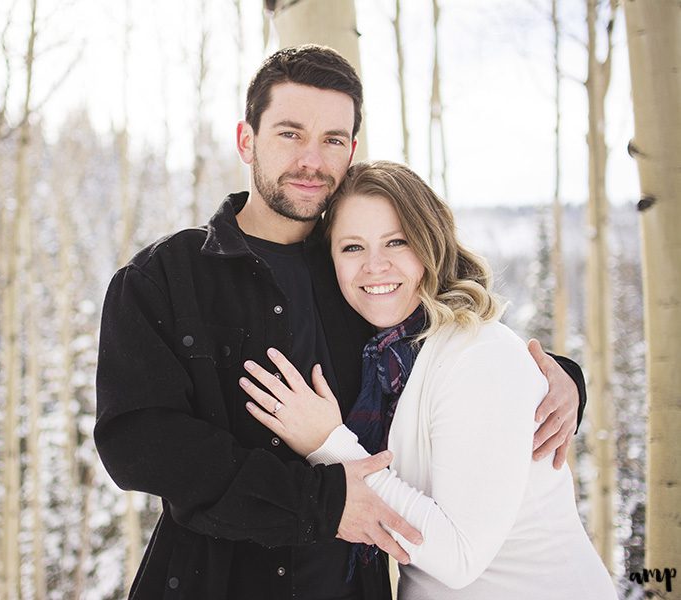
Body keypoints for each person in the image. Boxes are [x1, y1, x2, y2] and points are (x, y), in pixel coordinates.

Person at [95, 45, 586, 600]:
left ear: (351, 150)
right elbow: (137, 441)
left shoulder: (357, 273)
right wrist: (317, 501)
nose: (312, 158)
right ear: (246, 140)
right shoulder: (164, 278)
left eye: (332, 139)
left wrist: (558, 380)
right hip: (211, 581)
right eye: (289, 133)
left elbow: (451, 345)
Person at [239, 160, 615, 599]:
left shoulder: (477, 356)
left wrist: (329, 443)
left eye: (396, 242)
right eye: (352, 248)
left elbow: (458, 556)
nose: (374, 266)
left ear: (429, 245)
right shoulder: (383, 362)